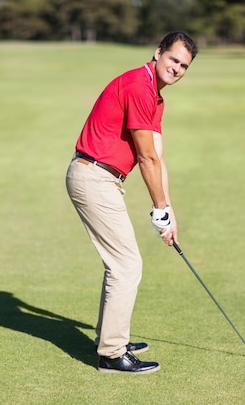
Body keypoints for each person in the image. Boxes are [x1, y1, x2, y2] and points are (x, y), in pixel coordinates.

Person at [65, 31, 198, 374]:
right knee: (126, 265)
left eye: (184, 66)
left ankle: (110, 337)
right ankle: (111, 352)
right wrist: (159, 209)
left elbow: (157, 157)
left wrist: (167, 212)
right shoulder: (139, 85)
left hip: (103, 178)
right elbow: (146, 158)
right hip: (93, 176)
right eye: (173, 60)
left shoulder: (155, 96)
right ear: (158, 53)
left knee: (121, 263)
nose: (178, 69)